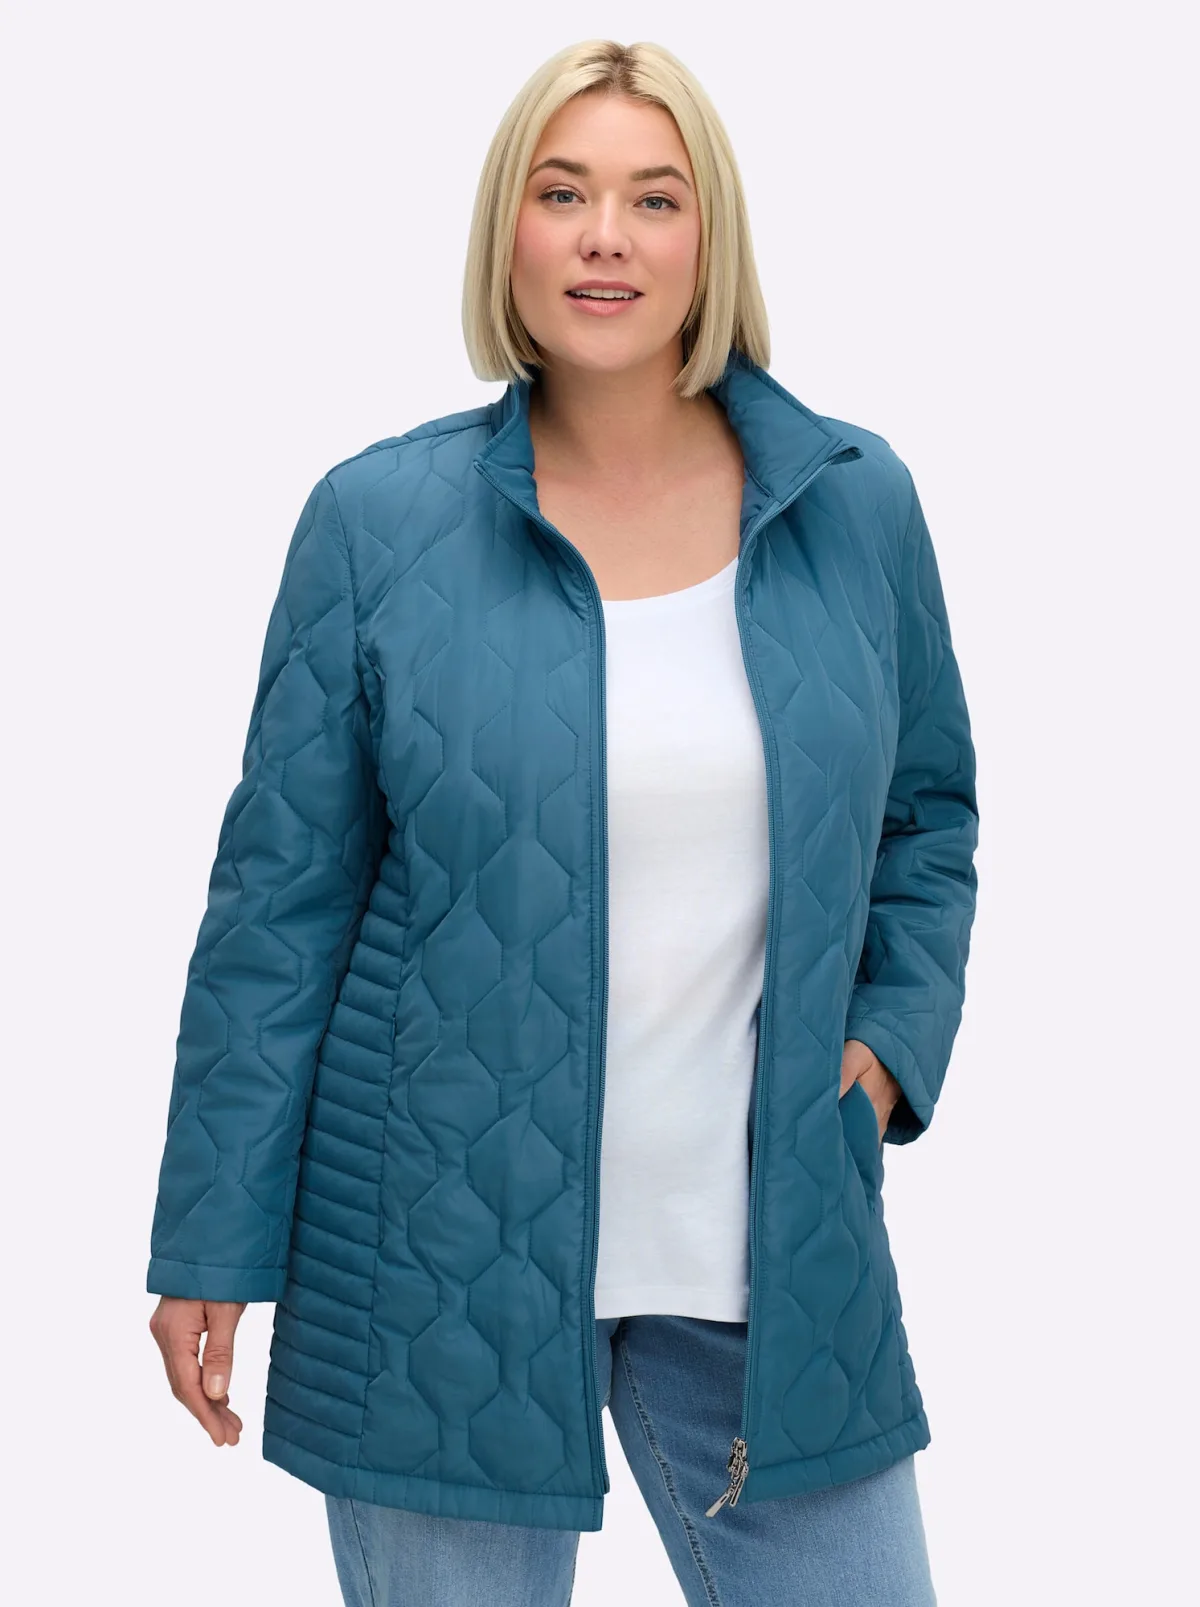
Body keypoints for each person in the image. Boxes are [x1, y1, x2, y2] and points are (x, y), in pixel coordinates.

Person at [147, 36, 979, 1607]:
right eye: (563, 192)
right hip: (436, 1270)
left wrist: (883, 1054)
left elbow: (927, 818)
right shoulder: (377, 523)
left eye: (654, 198)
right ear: (508, 234)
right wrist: (210, 1238)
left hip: (774, 1264)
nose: (607, 236)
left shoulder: (852, 505)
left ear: (709, 239)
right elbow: (278, 910)